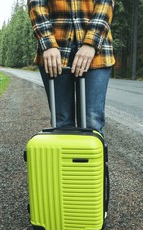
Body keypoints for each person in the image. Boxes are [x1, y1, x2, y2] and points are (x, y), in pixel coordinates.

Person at [28, 0, 115, 135]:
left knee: (91, 124)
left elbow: (105, 3)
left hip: (97, 52)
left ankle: (88, 156)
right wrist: (48, 43)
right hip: (53, 52)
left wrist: (91, 43)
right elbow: (37, 4)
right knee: (61, 125)